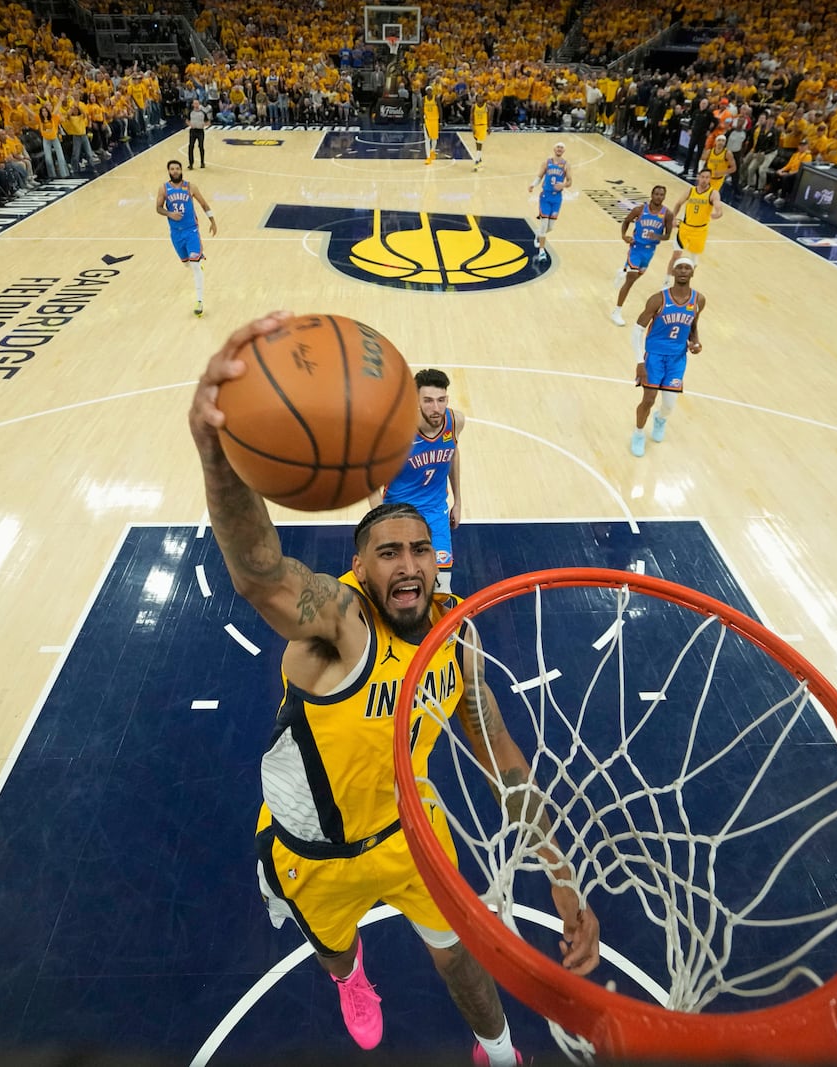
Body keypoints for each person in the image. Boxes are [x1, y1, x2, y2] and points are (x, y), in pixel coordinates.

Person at [187, 312, 599, 1065]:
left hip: (414, 832)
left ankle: (499, 1052)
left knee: (460, 955)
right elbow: (259, 573)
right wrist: (217, 452)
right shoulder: (337, 621)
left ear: (438, 562)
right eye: (387, 552)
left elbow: (505, 761)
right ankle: (352, 978)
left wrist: (563, 881)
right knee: (336, 954)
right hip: (312, 849)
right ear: (359, 567)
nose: (407, 564)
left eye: (420, 550)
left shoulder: (454, 637)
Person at [374, 368, 466, 593]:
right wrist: (379, 518)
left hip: (436, 512)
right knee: (400, 585)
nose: (436, 408)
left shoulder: (455, 422)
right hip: (399, 513)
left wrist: (458, 501)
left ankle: (443, 629)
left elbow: (453, 453)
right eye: (428, 401)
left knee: (441, 588)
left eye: (441, 400)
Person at [631, 258, 705, 457]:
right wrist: (640, 362)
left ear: (692, 273)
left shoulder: (698, 300)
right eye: (679, 267)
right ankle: (638, 434)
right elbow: (637, 331)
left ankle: (660, 419)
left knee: (669, 405)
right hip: (654, 356)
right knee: (648, 399)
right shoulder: (658, 299)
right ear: (672, 271)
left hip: (677, 358)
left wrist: (695, 342)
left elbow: (692, 326)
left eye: (687, 268)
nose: (682, 271)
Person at [155, 160, 216, 317]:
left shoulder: (190, 187)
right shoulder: (163, 188)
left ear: (181, 170)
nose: (175, 171)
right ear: (169, 171)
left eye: (177, 168)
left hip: (191, 231)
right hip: (176, 233)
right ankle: (197, 263)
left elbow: (203, 204)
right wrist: (170, 214)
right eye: (172, 169)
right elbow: (158, 208)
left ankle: (199, 301)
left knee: (195, 266)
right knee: (187, 264)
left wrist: (212, 221)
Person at [611, 184, 672, 326]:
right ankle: (617, 311)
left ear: (664, 196)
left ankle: (623, 273)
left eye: (661, 194)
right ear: (651, 195)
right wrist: (624, 236)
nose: (658, 196)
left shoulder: (667, 214)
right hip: (636, 248)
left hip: (649, 251)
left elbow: (668, 235)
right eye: (656, 194)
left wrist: (658, 236)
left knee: (635, 276)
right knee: (631, 279)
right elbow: (626, 221)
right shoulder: (639, 210)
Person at [669, 170, 722, 272]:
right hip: (685, 227)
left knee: (693, 262)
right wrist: (673, 217)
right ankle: (667, 282)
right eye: (702, 177)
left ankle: (683, 282)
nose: (704, 180)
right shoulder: (690, 190)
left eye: (707, 177)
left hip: (700, 231)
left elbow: (718, 206)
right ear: (698, 177)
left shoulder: (713, 193)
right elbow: (678, 203)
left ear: (710, 179)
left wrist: (718, 213)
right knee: (676, 255)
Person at [528, 142, 570, 262]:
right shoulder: (547, 162)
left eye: (562, 147)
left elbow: (570, 181)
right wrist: (532, 185)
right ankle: (542, 251)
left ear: (564, 151)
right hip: (545, 197)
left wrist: (564, 184)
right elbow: (539, 176)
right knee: (544, 224)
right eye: (558, 147)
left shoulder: (566, 165)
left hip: (557, 198)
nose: (559, 149)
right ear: (554, 149)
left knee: (550, 227)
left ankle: (538, 233)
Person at [187, 97, 210, 169]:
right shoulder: (190, 112)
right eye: (195, 103)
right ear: (193, 104)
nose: (196, 105)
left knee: (201, 146)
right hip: (193, 131)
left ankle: (202, 162)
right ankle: (191, 164)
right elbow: (187, 120)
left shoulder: (203, 113)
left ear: (199, 104)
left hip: (200, 131)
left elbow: (208, 122)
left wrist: (204, 125)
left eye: (197, 103)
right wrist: (190, 124)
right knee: (191, 146)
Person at [470, 95, 489, 170]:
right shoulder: (474, 107)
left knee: (480, 143)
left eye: (481, 97)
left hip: (483, 126)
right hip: (476, 126)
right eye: (479, 97)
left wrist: (489, 127)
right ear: (476, 99)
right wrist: (472, 127)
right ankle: (480, 159)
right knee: (477, 143)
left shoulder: (486, 106)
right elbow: (471, 118)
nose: (480, 98)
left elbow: (489, 116)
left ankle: (476, 161)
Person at [423, 88, 441, 166]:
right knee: (427, 139)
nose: (429, 91)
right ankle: (428, 157)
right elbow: (421, 109)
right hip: (427, 121)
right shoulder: (423, 99)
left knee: (434, 139)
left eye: (430, 90)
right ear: (426, 92)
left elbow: (440, 109)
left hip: (435, 120)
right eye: (428, 90)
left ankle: (432, 151)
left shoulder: (436, 98)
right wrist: (421, 122)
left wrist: (441, 122)